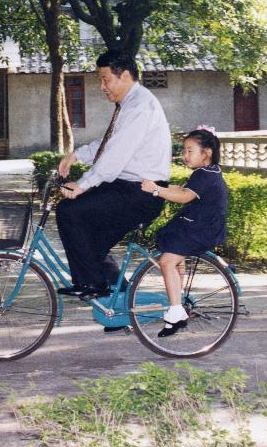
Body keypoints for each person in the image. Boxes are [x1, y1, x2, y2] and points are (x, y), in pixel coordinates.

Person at [56, 49, 171, 303]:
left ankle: (93, 283)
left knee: (69, 212)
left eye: (106, 80)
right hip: (128, 188)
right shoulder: (130, 104)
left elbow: (115, 156)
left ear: (125, 76)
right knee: (89, 244)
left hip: (141, 192)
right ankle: (122, 304)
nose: (102, 87)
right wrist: (77, 155)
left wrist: (84, 184)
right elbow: (109, 144)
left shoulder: (140, 106)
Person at [141, 127, 227, 338]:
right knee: (174, 254)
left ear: (206, 153)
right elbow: (180, 190)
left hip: (201, 229)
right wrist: (160, 187)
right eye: (184, 150)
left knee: (167, 261)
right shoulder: (207, 172)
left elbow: (184, 197)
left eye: (190, 151)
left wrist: (156, 190)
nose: (184, 155)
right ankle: (176, 301)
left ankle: (176, 310)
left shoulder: (205, 176)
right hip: (196, 224)